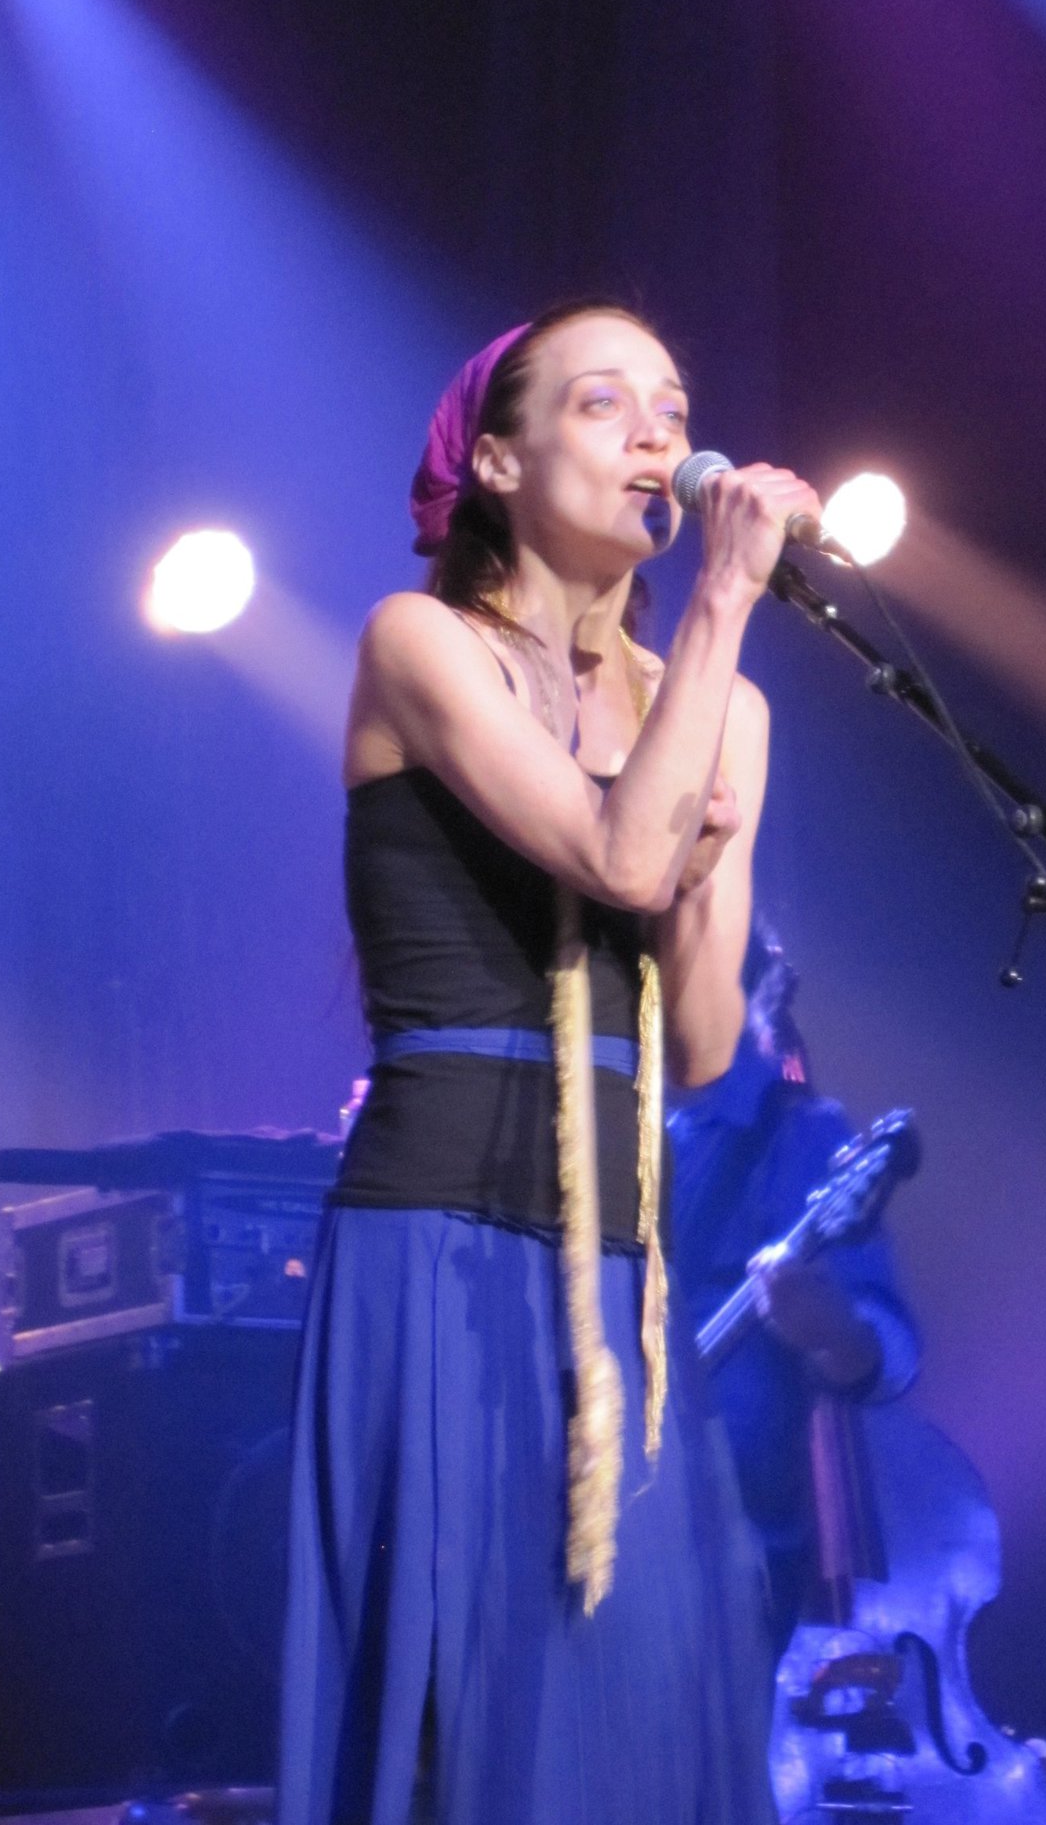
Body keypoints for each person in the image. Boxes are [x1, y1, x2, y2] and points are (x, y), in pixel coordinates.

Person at [278, 301, 821, 1825]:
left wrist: (718, 837)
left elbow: (707, 1041)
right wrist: (719, 602)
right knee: (465, 1718)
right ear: (500, 459)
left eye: (675, 400)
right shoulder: (421, 643)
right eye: (607, 404)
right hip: (437, 1248)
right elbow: (609, 847)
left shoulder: (725, 709)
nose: (660, 433)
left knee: (642, 1720)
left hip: (613, 1284)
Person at [669, 925, 921, 1656]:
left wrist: (836, 1333)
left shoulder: (802, 1134)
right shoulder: (612, 1121)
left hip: (729, 1547)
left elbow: (893, 1350)